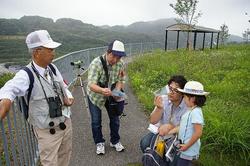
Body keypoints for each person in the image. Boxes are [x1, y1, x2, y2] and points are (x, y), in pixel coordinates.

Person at [0, 30, 74, 166]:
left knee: (65, 157)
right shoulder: (26, 74)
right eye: (49, 49)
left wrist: (68, 96)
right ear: (36, 52)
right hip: (47, 131)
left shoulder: (52, 67)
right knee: (50, 162)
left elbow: (63, 85)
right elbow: (9, 88)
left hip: (65, 123)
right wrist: (6, 100)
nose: (53, 53)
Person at [87, 40, 126, 155]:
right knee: (96, 121)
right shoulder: (96, 64)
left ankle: (115, 141)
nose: (115, 60)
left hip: (111, 96)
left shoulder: (120, 63)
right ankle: (99, 142)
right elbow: (91, 84)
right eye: (113, 56)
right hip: (96, 96)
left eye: (119, 57)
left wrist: (117, 91)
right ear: (107, 52)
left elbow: (121, 80)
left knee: (115, 119)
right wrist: (102, 90)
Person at [140, 75, 187, 153]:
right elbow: (153, 121)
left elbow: (187, 127)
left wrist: (171, 127)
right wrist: (159, 108)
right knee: (144, 143)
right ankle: (154, 159)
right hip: (161, 133)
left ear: (182, 93)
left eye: (175, 90)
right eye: (170, 88)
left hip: (177, 136)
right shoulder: (164, 98)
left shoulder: (187, 105)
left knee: (172, 153)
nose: (171, 92)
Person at [176, 81, 209, 166]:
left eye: (185, 97)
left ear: (193, 98)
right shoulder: (191, 110)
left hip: (188, 149)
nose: (183, 99)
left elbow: (198, 132)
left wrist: (186, 146)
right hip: (184, 147)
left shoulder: (196, 112)